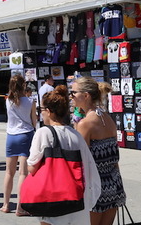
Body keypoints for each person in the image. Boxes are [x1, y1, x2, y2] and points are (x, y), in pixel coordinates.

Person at [28, 85, 101, 225]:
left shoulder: (43, 133)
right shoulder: (75, 134)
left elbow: (32, 167)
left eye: (41, 110)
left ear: (48, 112)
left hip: (53, 199)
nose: (40, 114)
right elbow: (88, 167)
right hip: (77, 200)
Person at [71, 76, 126, 225]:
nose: (71, 96)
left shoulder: (85, 123)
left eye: (74, 92)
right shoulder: (107, 118)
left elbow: (80, 159)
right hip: (114, 182)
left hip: (94, 184)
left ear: (86, 95)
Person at [2, 73, 37, 216]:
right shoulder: (30, 102)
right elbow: (34, 121)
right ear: (24, 86)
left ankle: (5, 204)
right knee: (23, 172)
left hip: (11, 136)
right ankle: (20, 207)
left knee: (9, 172)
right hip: (25, 135)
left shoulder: (7, 101)